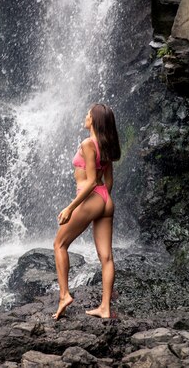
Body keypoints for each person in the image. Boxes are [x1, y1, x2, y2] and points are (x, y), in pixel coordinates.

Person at [53, 103, 121, 320]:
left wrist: (71, 207)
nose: (85, 116)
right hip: (105, 200)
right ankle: (105, 308)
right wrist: (102, 204)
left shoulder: (88, 144)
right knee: (106, 257)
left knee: (59, 244)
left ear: (95, 120)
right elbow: (106, 181)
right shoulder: (106, 144)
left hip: (91, 197)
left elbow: (91, 182)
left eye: (88, 115)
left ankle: (64, 295)